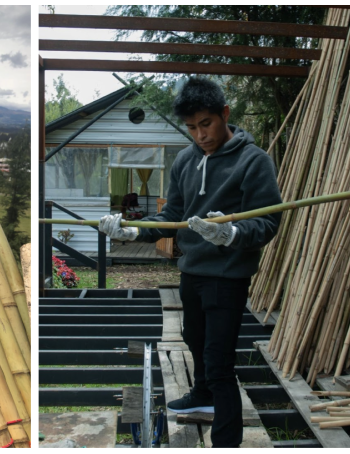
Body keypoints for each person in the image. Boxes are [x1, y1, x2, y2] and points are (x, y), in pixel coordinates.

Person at [98, 77, 282, 448]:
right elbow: (174, 215)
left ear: (224, 114)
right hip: (192, 272)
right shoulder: (185, 160)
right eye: (192, 127)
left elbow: (267, 222)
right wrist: (132, 230)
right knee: (192, 338)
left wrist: (230, 234)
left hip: (227, 276)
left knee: (218, 362)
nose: (200, 135)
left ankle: (226, 441)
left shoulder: (254, 160)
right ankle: (202, 396)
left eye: (207, 124)